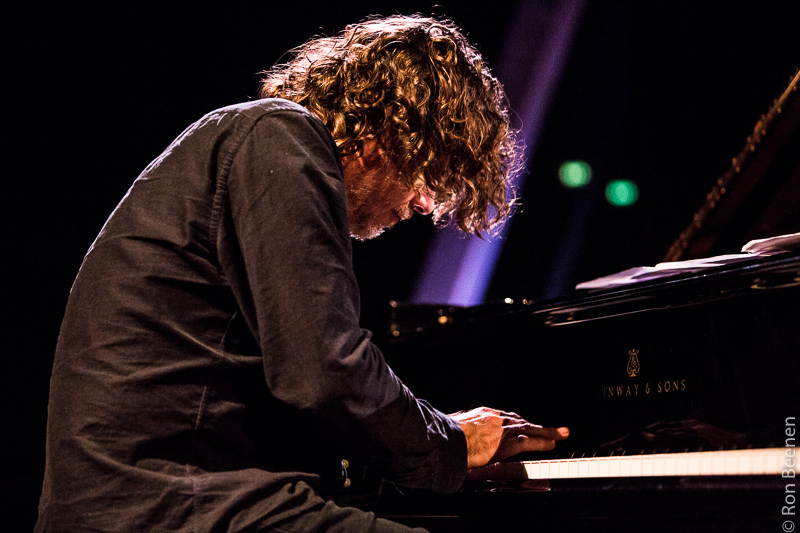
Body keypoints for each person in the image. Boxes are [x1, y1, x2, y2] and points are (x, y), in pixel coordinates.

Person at [35, 14, 568, 532]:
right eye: (429, 169)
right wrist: (448, 444)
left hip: (177, 493)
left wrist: (429, 445)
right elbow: (325, 370)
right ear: (394, 125)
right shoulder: (280, 136)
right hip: (172, 503)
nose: (426, 203)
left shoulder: (257, 144)